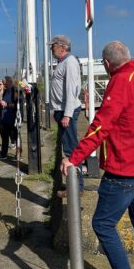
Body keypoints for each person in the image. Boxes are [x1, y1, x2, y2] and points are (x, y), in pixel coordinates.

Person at [61, 41, 134, 269]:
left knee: (103, 224)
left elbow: (102, 125)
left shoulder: (120, 81)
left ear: (107, 64)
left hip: (123, 167)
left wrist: (75, 158)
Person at [49, 35, 83, 194]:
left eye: (53, 46)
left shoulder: (70, 62)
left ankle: (77, 188)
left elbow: (72, 90)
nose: (51, 48)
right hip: (61, 110)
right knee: (68, 148)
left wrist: (67, 115)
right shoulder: (62, 62)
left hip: (66, 111)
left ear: (62, 47)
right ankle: (73, 185)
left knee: (71, 150)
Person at [0, 77, 19, 161]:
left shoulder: (15, 91)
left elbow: (17, 105)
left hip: (13, 118)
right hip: (4, 118)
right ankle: (3, 154)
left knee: (16, 136)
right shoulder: (6, 92)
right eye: (1, 83)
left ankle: (18, 155)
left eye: (4, 83)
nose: (3, 84)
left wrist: (7, 104)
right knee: (4, 137)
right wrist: (1, 105)